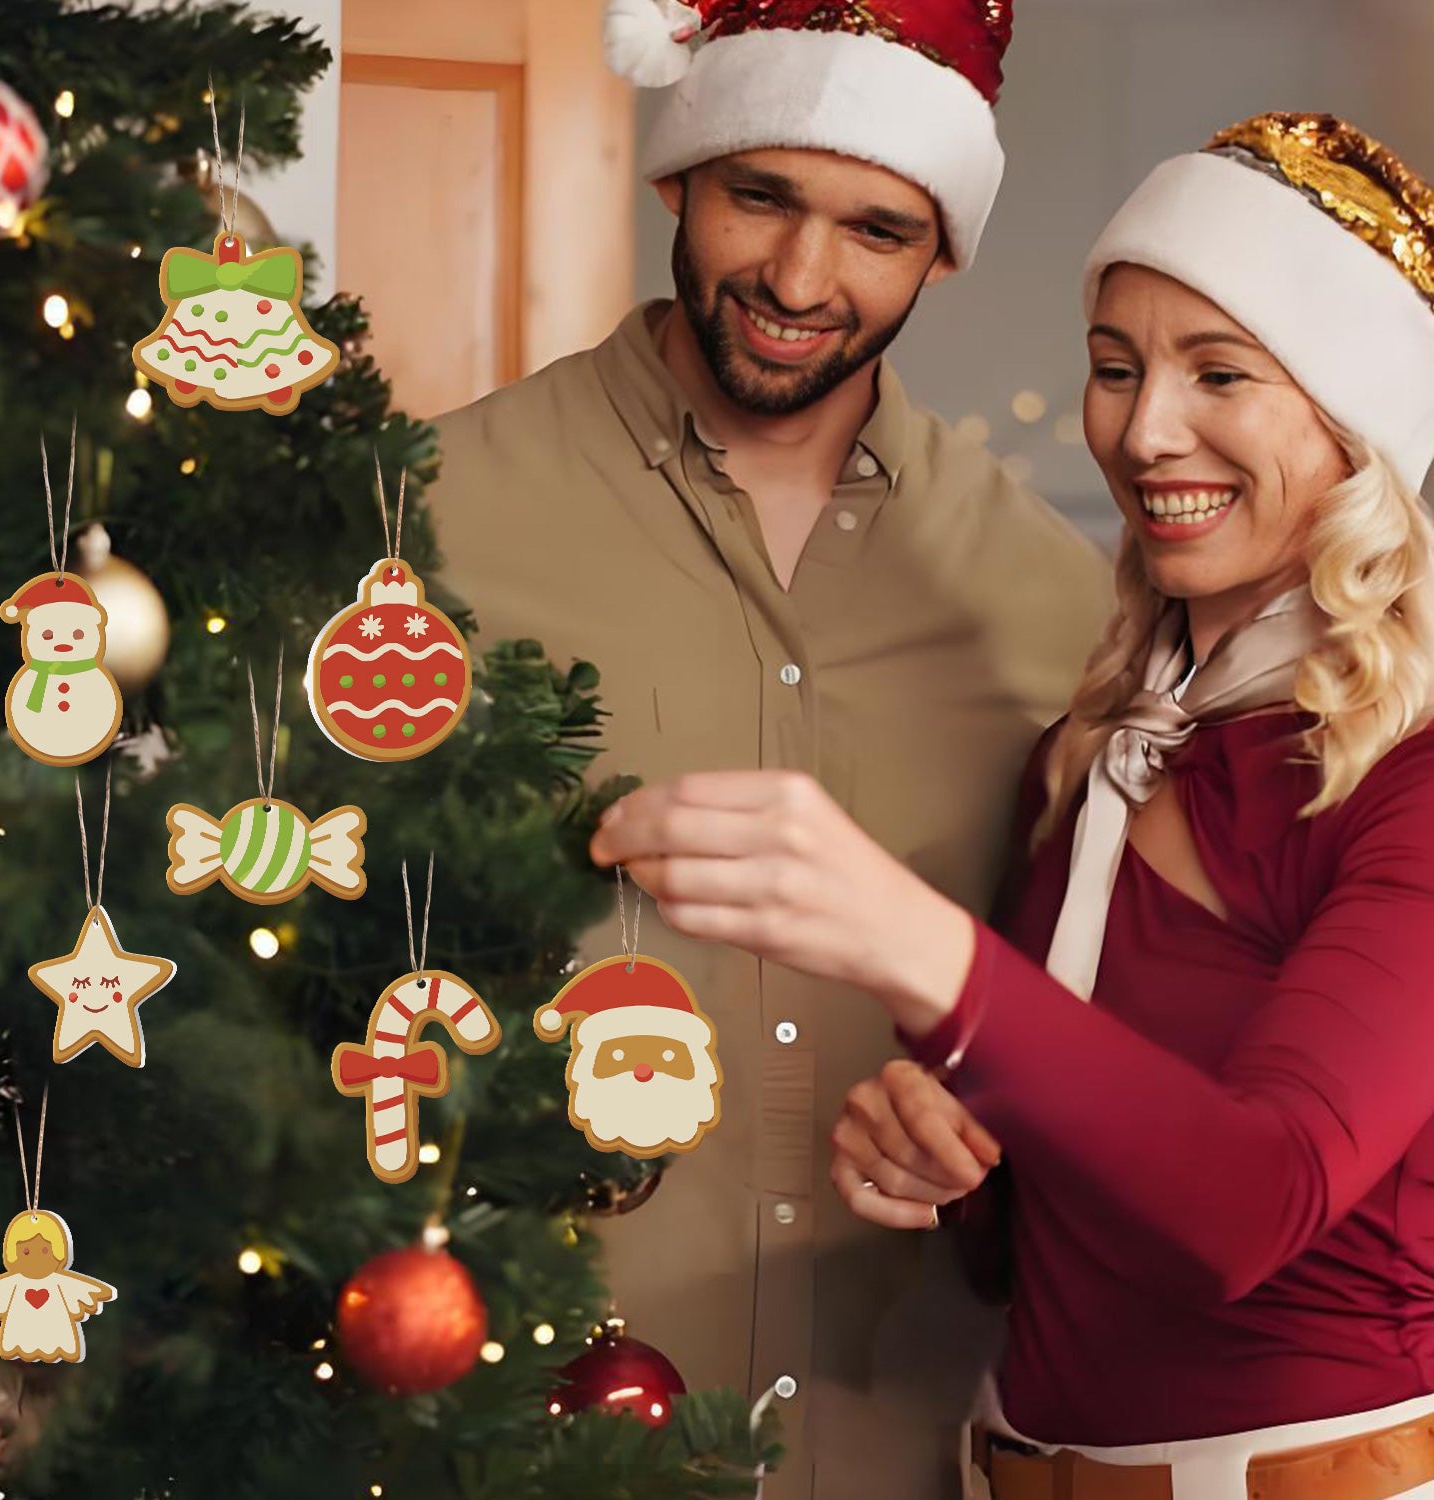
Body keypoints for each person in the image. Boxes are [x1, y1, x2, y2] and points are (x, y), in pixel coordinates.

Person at [590, 111, 1434, 1500]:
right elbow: (1060, 1232)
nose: (1143, 428)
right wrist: (952, 1164)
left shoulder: (1406, 778)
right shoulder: (1096, 756)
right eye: (1115, 368)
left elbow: (1250, 1204)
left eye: (1219, 373)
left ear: (1354, 425)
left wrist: (913, 945)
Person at [430, 1, 1112, 1493]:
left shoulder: (1055, 606)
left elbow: (1102, 1032)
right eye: (761, 198)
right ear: (678, 177)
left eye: (876, 228)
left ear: (940, 249)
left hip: (911, 1436)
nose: (803, 279)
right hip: (512, 1424)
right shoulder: (430, 521)